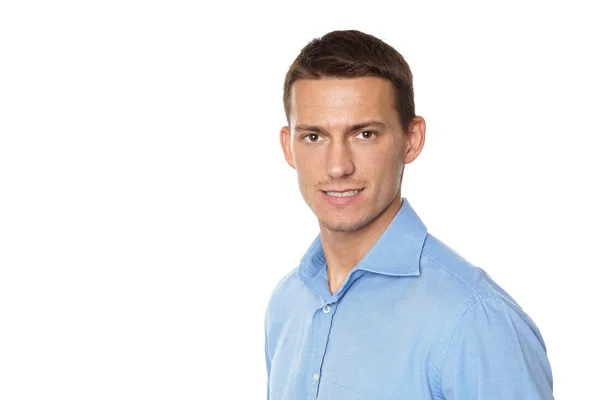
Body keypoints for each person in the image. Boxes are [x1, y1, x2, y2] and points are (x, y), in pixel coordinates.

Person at [264, 30, 554, 400]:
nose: (337, 167)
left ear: (412, 139)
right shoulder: (287, 304)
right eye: (314, 137)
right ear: (288, 147)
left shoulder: (475, 319)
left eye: (364, 134)